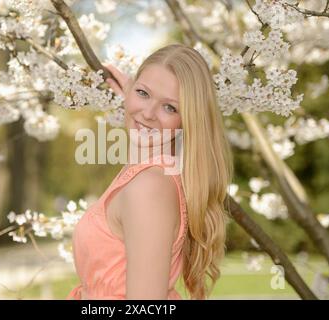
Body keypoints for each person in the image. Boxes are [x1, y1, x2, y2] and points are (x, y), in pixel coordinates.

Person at [66, 43, 233, 300]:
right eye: (143, 93)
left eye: (170, 108)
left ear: (187, 120)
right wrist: (134, 101)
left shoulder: (149, 189)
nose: (148, 112)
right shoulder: (151, 174)